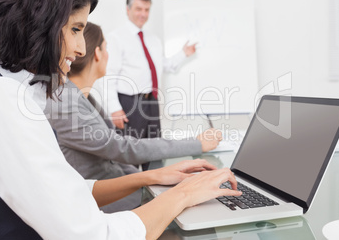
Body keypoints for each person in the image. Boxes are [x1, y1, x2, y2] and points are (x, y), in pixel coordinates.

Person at [0, 0, 241, 239]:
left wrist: (151, 176)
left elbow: (64, 194)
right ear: (39, 23)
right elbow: (93, 235)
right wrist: (183, 194)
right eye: (76, 29)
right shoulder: (1, 103)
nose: (81, 49)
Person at [45, 22, 223, 213]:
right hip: (107, 206)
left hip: (125, 191)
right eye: (106, 47)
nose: (108, 54)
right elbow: (121, 148)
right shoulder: (66, 103)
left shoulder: (83, 96)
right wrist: (195, 144)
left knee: (201, 198)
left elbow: (118, 156)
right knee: (202, 207)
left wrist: (150, 184)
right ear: (97, 53)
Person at [103, 0, 197, 142]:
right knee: (130, 152)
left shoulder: (153, 39)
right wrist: (114, 109)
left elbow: (162, 65)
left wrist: (183, 53)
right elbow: (109, 75)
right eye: (138, 9)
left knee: (154, 148)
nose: (143, 14)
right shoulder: (116, 38)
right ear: (128, 10)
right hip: (129, 104)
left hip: (151, 101)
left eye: (147, 10)